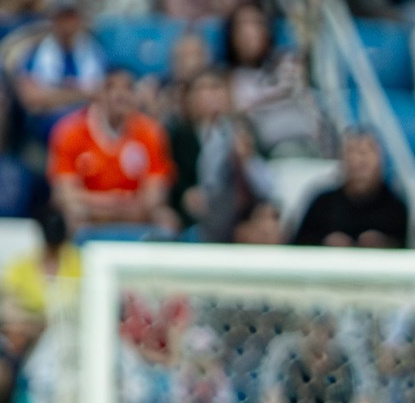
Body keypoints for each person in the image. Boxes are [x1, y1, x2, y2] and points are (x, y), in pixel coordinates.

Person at [49, 69, 178, 235]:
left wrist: (125, 209)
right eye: (111, 87)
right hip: (91, 213)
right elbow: (64, 193)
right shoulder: (70, 131)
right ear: (98, 93)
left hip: (135, 213)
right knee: (72, 213)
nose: (120, 95)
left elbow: (155, 194)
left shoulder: (151, 132)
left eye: (128, 88)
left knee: (166, 219)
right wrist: (112, 204)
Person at [171, 66, 266, 241]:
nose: (211, 95)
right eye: (202, 89)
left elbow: (265, 186)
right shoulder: (180, 135)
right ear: (189, 99)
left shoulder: (244, 131)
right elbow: (174, 179)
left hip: (238, 211)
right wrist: (185, 194)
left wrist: (247, 160)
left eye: (216, 87)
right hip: (193, 214)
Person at [227, 5, 332, 159]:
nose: (250, 32)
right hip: (272, 153)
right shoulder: (229, 78)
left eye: (257, 23)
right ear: (232, 35)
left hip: (313, 143)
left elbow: (300, 78)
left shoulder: (287, 60)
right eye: (244, 25)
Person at [258, 314, 384, 403]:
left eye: (329, 334)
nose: (322, 339)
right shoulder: (283, 351)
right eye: (316, 332)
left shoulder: (351, 350)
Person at [292, 131, 411, 248]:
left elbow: (405, 249)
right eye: (352, 152)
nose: (359, 160)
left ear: (380, 160)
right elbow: (297, 247)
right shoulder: (322, 205)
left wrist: (383, 246)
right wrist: (325, 244)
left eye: (365, 153)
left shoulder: (395, 209)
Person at [11, 0, 104, 134]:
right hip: (48, 121)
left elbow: (103, 92)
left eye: (71, 17)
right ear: (52, 20)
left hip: (89, 119)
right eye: (61, 18)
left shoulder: (95, 51)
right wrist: (82, 93)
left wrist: (54, 95)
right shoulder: (35, 52)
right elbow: (31, 98)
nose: (66, 24)